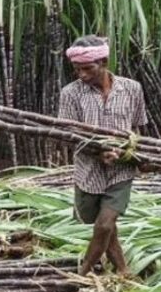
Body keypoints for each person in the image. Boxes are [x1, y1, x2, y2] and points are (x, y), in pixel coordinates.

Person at [58, 35, 147, 276]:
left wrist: (128, 153)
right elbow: (70, 135)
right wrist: (99, 153)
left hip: (122, 169)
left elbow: (137, 128)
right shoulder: (70, 94)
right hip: (88, 171)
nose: (82, 74)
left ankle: (83, 272)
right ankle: (123, 270)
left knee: (105, 223)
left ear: (105, 61)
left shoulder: (132, 89)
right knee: (104, 227)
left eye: (88, 68)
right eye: (77, 69)